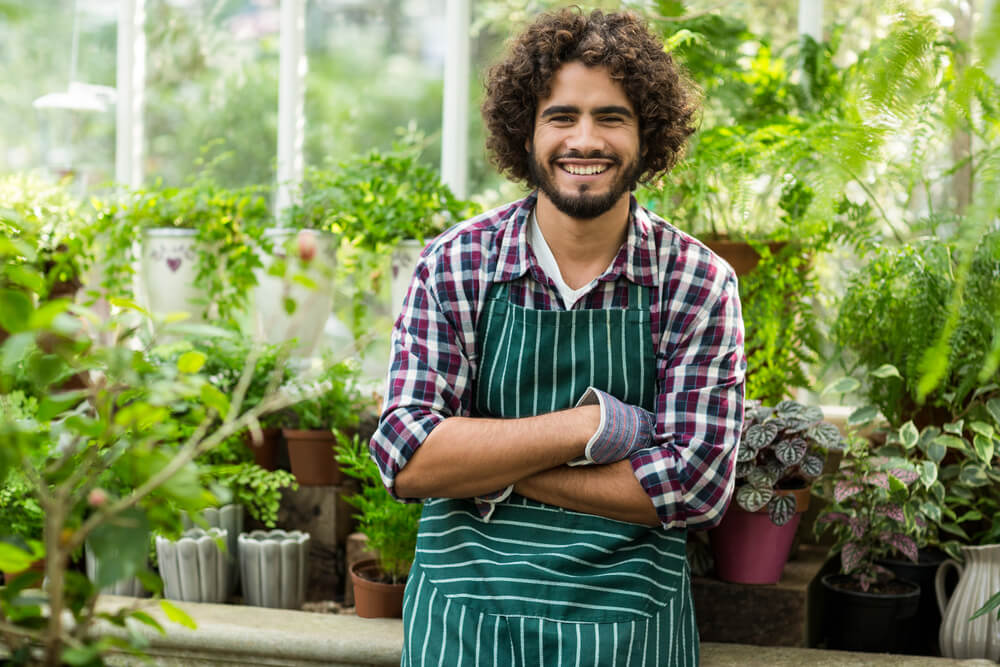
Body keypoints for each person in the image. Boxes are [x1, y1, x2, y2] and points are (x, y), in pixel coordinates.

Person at [371, 8, 745, 665]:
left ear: (647, 135)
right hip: (465, 620)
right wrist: (586, 427)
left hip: (628, 626)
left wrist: (489, 461)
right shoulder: (457, 263)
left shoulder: (695, 282)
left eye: (611, 117)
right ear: (526, 132)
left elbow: (694, 483)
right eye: (562, 116)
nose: (585, 139)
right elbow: (406, 457)